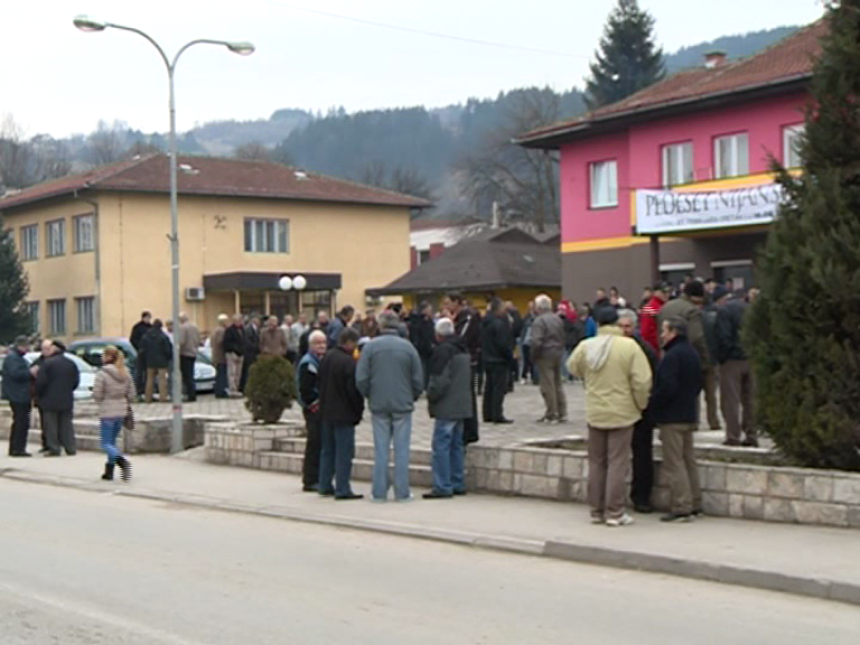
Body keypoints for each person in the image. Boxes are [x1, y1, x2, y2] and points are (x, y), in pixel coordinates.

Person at [568, 307, 651, 527]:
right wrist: (640, 404)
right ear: (616, 323)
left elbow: (572, 367)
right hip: (622, 411)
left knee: (596, 462)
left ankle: (596, 510)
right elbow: (642, 381)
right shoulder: (629, 346)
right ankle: (615, 511)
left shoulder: (587, 345)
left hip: (595, 410)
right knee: (617, 462)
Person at [356, 310, 424, 502]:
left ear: (380, 325)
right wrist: (412, 396)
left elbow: (361, 378)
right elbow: (418, 379)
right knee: (402, 449)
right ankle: (402, 492)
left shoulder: (370, 347)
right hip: (402, 403)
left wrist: (370, 394)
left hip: (379, 403)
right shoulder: (408, 348)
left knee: (381, 450)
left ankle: (379, 492)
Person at [650, 318, 704, 522]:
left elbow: (667, 387)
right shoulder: (692, 353)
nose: (661, 335)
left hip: (672, 416)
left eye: (664, 330)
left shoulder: (672, 356)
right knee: (689, 459)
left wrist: (654, 404)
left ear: (674, 332)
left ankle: (682, 505)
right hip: (689, 413)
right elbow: (698, 383)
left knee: (674, 462)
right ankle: (695, 501)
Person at [424, 317, 472, 499]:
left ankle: (442, 485)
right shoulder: (463, 349)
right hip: (462, 404)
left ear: (438, 335)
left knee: (441, 446)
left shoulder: (443, 351)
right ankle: (457, 482)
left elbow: (439, 381)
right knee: (456, 445)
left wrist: (431, 395)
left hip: (446, 405)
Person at [658, 280, 715, 430]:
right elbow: (697, 336)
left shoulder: (666, 306)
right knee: (702, 389)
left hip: (668, 352)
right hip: (690, 354)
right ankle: (709, 421)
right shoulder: (692, 310)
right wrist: (705, 357)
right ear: (697, 297)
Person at [618, 309, 658, 513]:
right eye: (621, 326)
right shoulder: (615, 348)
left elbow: (650, 380)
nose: (624, 330)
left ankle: (641, 497)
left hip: (641, 408)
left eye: (628, 326)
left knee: (642, 454)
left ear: (634, 328)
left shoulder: (644, 350)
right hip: (618, 408)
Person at [318, 328, 364, 500]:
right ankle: (342, 488)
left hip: (326, 411)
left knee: (328, 450)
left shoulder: (326, 358)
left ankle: (324, 484)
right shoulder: (348, 363)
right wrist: (358, 411)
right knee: (344, 452)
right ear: (349, 342)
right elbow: (353, 391)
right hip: (344, 414)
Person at [714, 286, 757, 447]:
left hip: (732, 361)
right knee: (750, 399)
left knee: (731, 400)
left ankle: (733, 436)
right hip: (751, 358)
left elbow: (723, 337)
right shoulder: (751, 309)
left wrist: (722, 357)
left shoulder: (724, 311)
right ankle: (751, 434)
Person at [93, 345, 134, 482]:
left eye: (103, 355)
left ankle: (122, 461)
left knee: (105, 444)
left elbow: (97, 394)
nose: (102, 358)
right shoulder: (125, 372)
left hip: (107, 410)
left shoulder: (102, 374)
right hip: (121, 410)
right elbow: (132, 394)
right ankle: (108, 472)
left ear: (108, 357)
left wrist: (101, 401)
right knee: (112, 442)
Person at [447, 292, 481, 445]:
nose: (446, 307)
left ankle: (470, 430)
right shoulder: (459, 318)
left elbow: (461, 338)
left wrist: (450, 324)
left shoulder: (468, 317)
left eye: (448, 303)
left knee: (468, 394)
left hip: (468, 360)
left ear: (457, 303)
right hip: (459, 359)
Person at [36, 341, 80, 456]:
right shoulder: (70, 363)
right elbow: (75, 381)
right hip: (66, 398)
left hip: (49, 398)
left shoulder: (47, 364)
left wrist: (38, 395)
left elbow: (40, 382)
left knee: (51, 425)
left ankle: (54, 448)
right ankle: (70, 447)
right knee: (66, 425)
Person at [530, 294, 567, 423]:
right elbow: (562, 336)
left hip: (545, 354)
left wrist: (534, 355)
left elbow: (536, 341)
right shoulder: (557, 319)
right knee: (558, 383)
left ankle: (551, 412)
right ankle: (562, 411)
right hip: (557, 352)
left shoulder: (539, 321)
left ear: (538, 307)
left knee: (547, 385)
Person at [297, 330, 327, 492]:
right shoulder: (309, 363)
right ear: (311, 345)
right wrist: (314, 404)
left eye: (323, 342)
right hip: (314, 409)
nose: (321, 346)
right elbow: (305, 389)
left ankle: (318, 476)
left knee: (320, 443)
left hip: (321, 407)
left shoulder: (320, 360)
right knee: (314, 443)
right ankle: (310, 479)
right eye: (318, 343)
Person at [481, 297, 515, 424]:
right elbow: (503, 344)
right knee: (498, 388)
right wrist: (509, 356)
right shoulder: (499, 324)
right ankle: (497, 414)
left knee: (489, 387)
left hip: (487, 358)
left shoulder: (485, 322)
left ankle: (487, 413)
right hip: (498, 359)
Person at [2, 335, 33, 457]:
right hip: (18, 395)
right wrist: (30, 372)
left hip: (20, 394)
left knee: (22, 422)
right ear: (21, 346)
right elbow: (16, 374)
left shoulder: (17, 357)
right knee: (21, 422)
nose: (28, 348)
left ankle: (18, 448)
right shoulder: (13, 358)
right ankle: (17, 449)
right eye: (26, 346)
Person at [139, 319, 172, 403]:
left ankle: (148, 398)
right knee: (162, 380)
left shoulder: (146, 336)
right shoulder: (163, 336)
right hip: (162, 362)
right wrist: (168, 358)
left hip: (149, 361)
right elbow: (168, 350)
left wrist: (144, 360)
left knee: (149, 380)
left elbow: (142, 349)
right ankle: (163, 398)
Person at [409, 302, 436, 389]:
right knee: (423, 368)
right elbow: (420, 334)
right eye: (429, 309)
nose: (431, 311)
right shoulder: (418, 321)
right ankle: (423, 385)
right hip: (422, 348)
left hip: (428, 348)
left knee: (427, 368)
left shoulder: (428, 320)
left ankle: (426, 385)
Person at [129, 311, 152, 401]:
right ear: (143, 318)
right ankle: (138, 391)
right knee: (139, 373)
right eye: (147, 318)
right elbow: (132, 339)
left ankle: (147, 392)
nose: (148, 320)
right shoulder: (137, 327)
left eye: (149, 318)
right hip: (141, 353)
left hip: (149, 354)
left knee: (148, 373)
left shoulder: (150, 327)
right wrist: (139, 348)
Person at [178, 313, 200, 403]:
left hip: (185, 353)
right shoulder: (195, 327)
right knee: (191, 374)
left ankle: (189, 395)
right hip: (193, 352)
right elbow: (198, 340)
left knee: (187, 375)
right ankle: (193, 393)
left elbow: (181, 341)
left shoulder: (183, 328)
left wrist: (177, 349)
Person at [640, 283, 668, 353]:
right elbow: (645, 331)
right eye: (663, 292)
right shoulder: (651, 307)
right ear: (655, 292)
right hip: (654, 348)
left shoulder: (662, 306)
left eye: (668, 292)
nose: (666, 295)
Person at [223, 314, 246, 396]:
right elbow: (226, 343)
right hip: (232, 354)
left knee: (238, 373)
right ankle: (232, 389)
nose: (241, 322)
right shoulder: (229, 330)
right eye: (239, 320)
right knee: (232, 372)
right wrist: (234, 350)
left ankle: (237, 388)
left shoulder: (242, 329)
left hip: (241, 354)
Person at [240, 316, 261, 392]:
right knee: (248, 371)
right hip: (250, 354)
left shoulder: (257, 330)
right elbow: (248, 342)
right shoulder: (248, 330)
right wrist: (257, 347)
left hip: (254, 354)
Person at [210, 314, 229, 398]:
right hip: (221, 355)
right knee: (222, 374)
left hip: (215, 354)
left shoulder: (214, 330)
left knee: (218, 374)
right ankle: (220, 391)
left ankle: (218, 390)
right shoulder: (222, 330)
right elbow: (220, 342)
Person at [520, 301, 537, 385]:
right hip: (526, 341)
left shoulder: (538, 317)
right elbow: (522, 327)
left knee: (533, 360)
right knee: (526, 360)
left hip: (534, 341)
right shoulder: (526, 316)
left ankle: (534, 377)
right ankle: (524, 376)